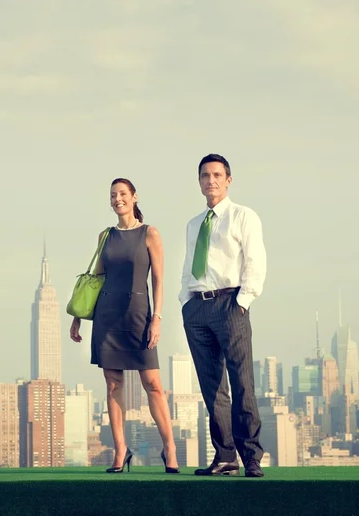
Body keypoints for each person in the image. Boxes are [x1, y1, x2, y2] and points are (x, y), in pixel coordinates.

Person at [70, 178, 179, 474]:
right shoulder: (105, 236)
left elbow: (158, 279)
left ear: (134, 198)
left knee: (153, 384)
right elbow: (97, 277)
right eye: (113, 195)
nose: (117, 199)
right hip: (107, 316)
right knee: (113, 383)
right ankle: (121, 450)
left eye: (122, 194)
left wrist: (157, 318)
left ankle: (169, 448)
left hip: (138, 315)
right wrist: (78, 315)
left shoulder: (150, 233)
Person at [179, 154, 266, 478]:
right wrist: (185, 301)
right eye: (205, 175)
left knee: (243, 383)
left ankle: (251, 457)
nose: (210, 180)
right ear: (199, 181)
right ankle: (225, 456)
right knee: (212, 387)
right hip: (197, 308)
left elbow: (255, 261)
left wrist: (243, 301)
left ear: (228, 179)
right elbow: (189, 265)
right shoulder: (193, 224)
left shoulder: (243, 216)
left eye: (217, 175)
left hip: (231, 303)